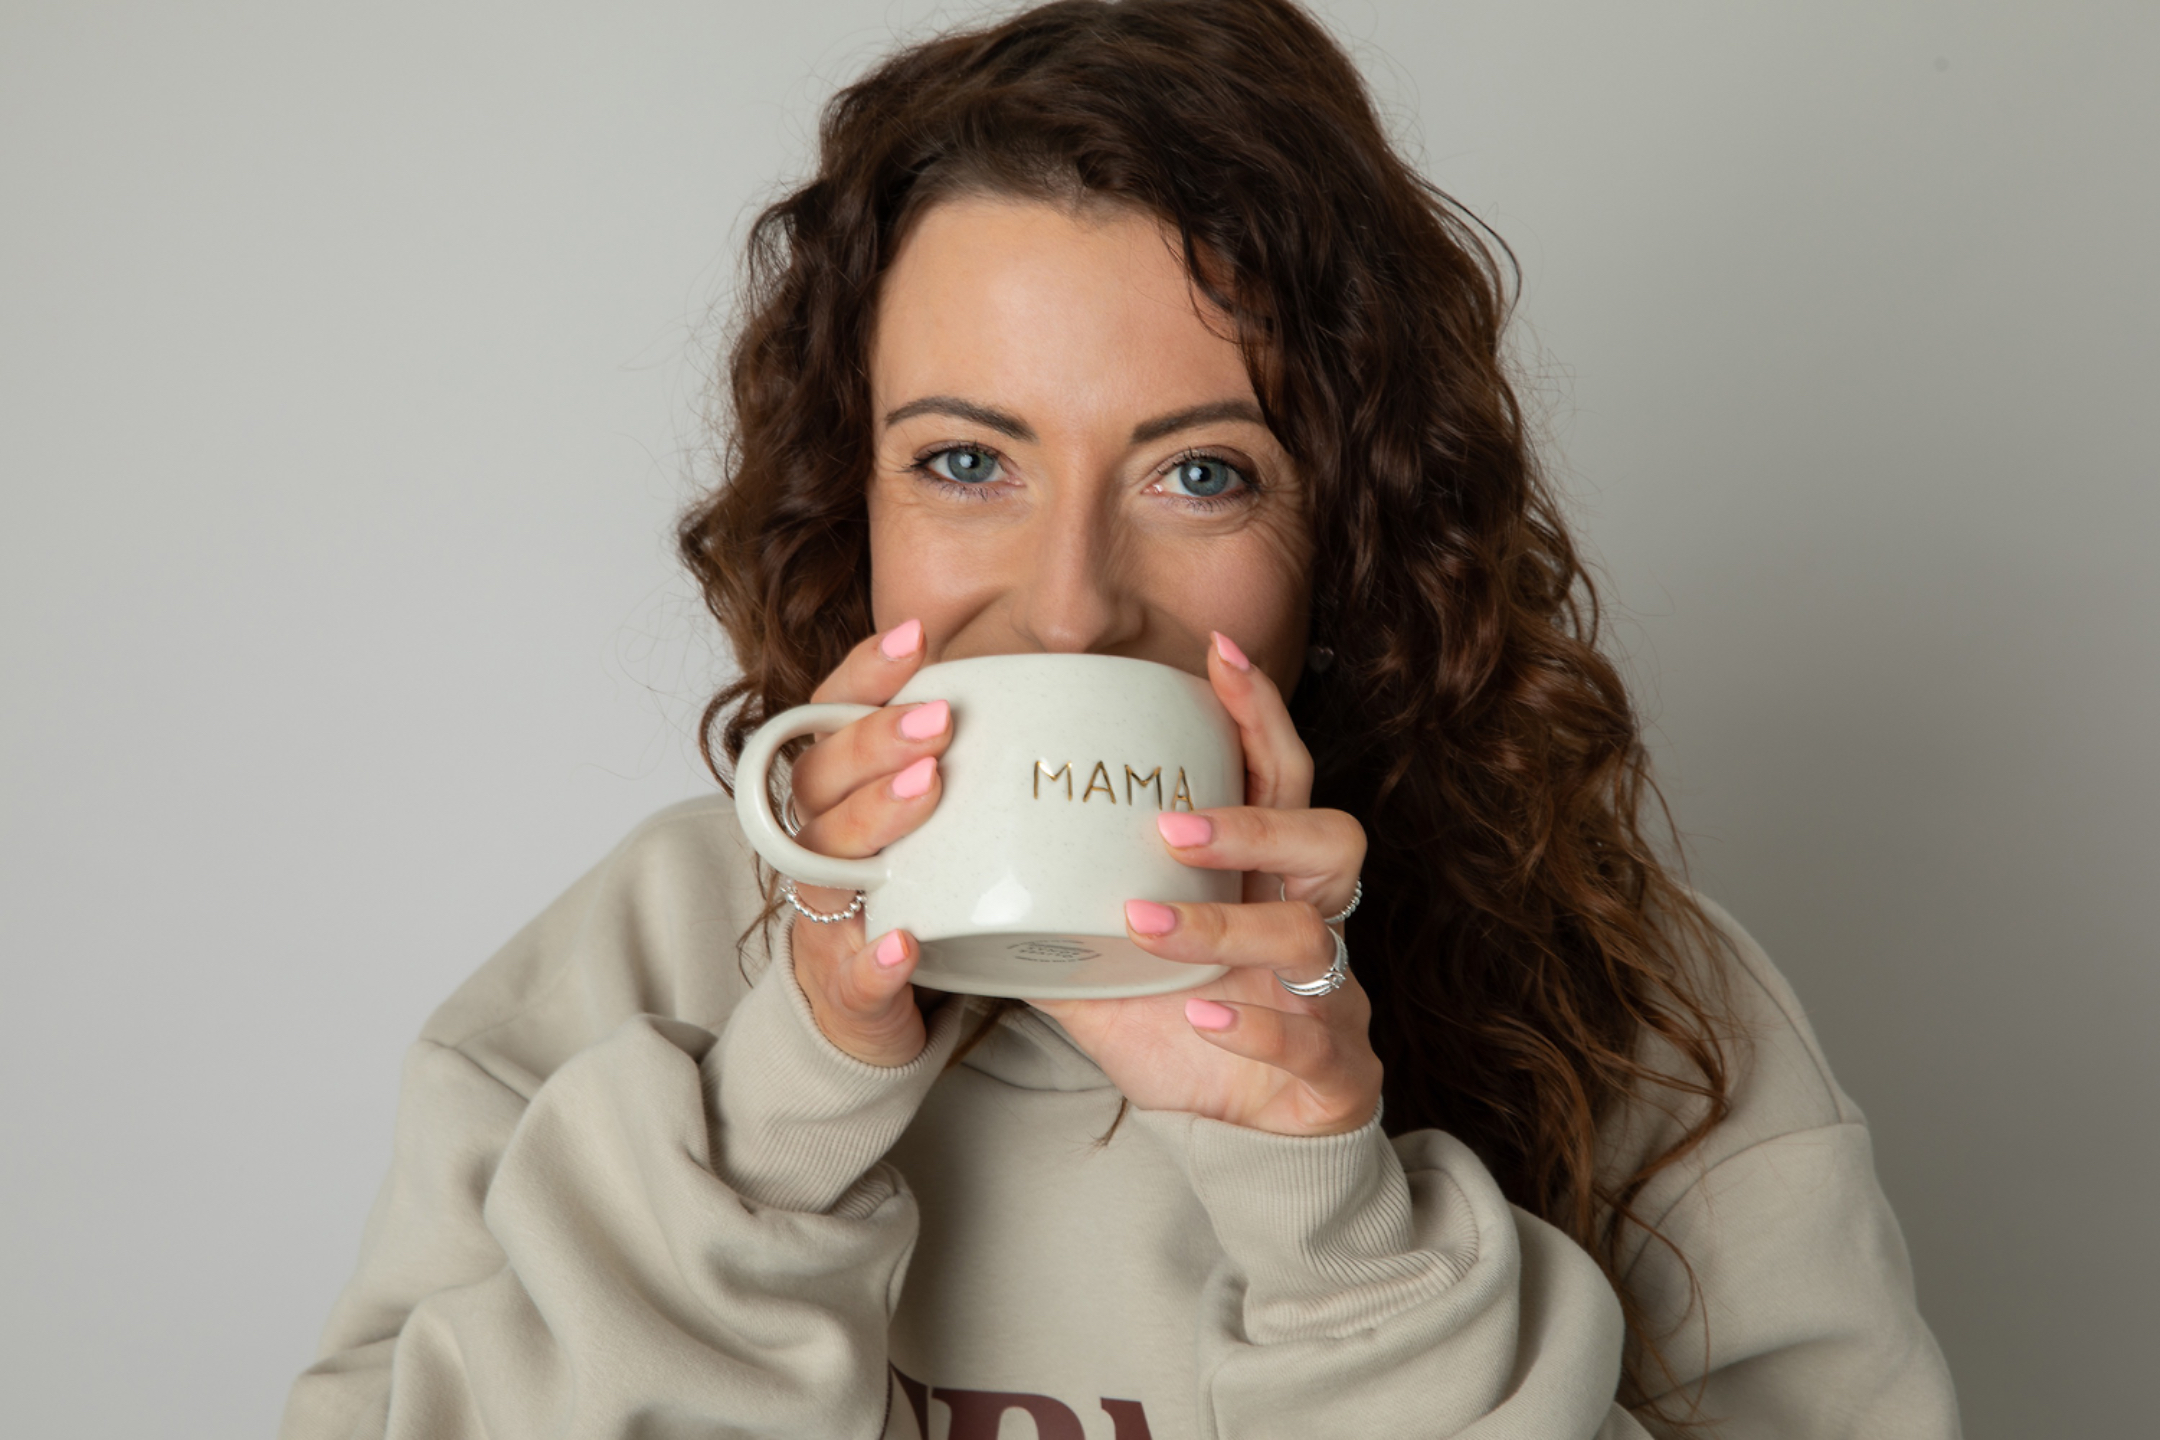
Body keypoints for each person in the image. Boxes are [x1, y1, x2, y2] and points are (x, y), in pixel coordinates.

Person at [279, 2, 1960, 1436]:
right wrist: (784, 1107)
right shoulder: (638, 964)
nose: (1073, 604)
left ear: (1352, 527)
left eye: (1202, 473)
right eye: (965, 462)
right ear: (849, 498)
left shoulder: (1643, 1019)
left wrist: (1333, 1221)